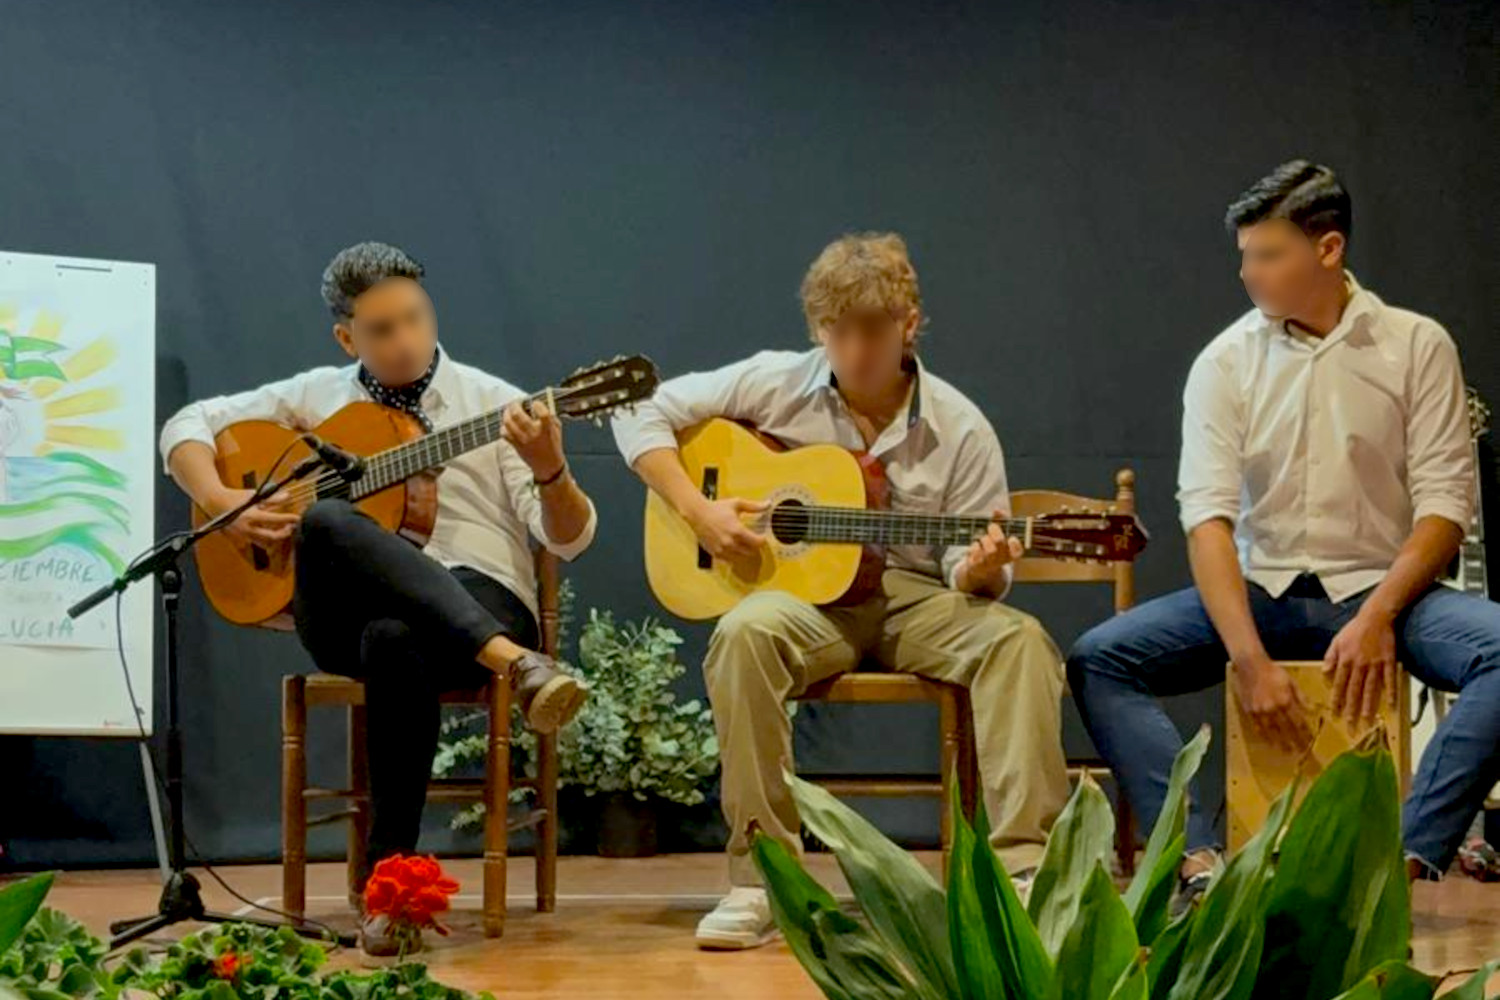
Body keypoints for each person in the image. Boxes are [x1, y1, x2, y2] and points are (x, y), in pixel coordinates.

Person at [612, 232, 1069, 950]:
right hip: (806, 602)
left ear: (909, 324)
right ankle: (763, 879)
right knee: (742, 635)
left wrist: (984, 567)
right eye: (837, 330)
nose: (854, 350)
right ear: (817, 329)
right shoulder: (773, 381)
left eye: (872, 331)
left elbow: (968, 569)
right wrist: (699, 511)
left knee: (1020, 642)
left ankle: (1024, 871)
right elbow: (634, 411)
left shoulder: (961, 427)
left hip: (911, 596)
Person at [1067, 160, 1499, 907]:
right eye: (1244, 255)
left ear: (1328, 249)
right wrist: (1247, 657)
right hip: (1260, 592)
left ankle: (1399, 864)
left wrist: (1379, 614)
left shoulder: (1415, 345)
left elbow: (1445, 507)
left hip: (1383, 591)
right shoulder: (1225, 361)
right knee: (1100, 659)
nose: (1247, 273)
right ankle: (1196, 860)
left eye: (1267, 254)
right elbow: (1207, 520)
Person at [158, 241, 595, 955]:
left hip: (476, 596)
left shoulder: (497, 404)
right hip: (344, 617)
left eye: (415, 318)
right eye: (382, 329)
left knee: (395, 637)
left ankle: (391, 887)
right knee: (328, 519)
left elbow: (569, 539)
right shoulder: (317, 396)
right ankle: (516, 664)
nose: (405, 340)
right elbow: (186, 424)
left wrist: (551, 471)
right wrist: (222, 501)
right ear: (346, 337)